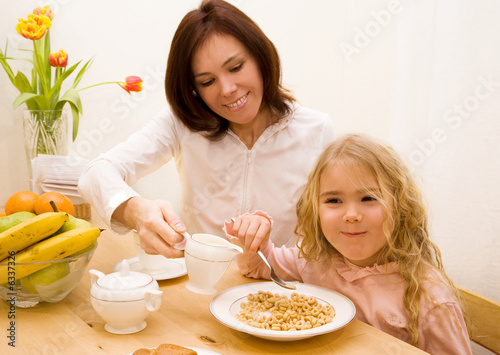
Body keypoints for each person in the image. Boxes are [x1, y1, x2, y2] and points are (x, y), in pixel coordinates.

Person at [77, 0, 334, 258]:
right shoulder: (182, 124)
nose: (227, 89)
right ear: (194, 89)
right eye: (207, 81)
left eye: (235, 67)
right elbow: (95, 173)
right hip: (202, 287)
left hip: (283, 290)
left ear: (260, 56)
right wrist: (135, 211)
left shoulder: (315, 131)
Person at [227, 134, 471, 354]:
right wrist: (252, 233)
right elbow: (258, 266)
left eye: (368, 198)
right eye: (334, 200)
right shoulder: (314, 260)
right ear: (316, 209)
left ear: (400, 205)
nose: (351, 215)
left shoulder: (430, 299)